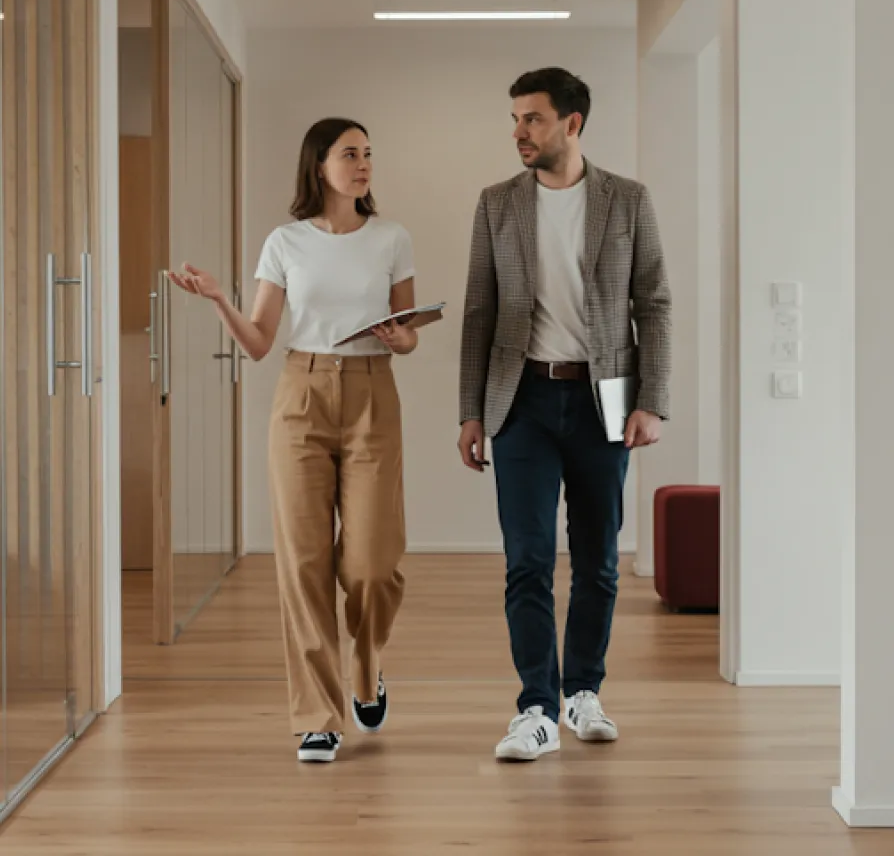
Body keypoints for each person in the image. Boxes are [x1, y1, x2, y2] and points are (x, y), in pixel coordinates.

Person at [168, 118, 418, 763]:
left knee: (371, 563)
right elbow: (258, 344)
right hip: (301, 395)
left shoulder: (392, 237)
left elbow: (410, 329)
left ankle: (367, 666)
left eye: (368, 153)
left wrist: (401, 337)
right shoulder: (285, 242)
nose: (363, 164)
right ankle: (317, 714)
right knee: (303, 563)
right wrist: (221, 300)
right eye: (350, 154)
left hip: (372, 393)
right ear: (319, 166)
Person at [458, 68, 671, 762]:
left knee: (599, 561)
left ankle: (583, 692)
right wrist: (470, 412)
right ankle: (536, 709)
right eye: (515, 118)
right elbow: (479, 313)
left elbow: (654, 303)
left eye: (533, 119)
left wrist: (652, 399)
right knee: (526, 560)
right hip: (519, 400)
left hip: (603, 399)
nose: (519, 131)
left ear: (572, 124)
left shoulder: (627, 200)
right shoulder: (497, 204)